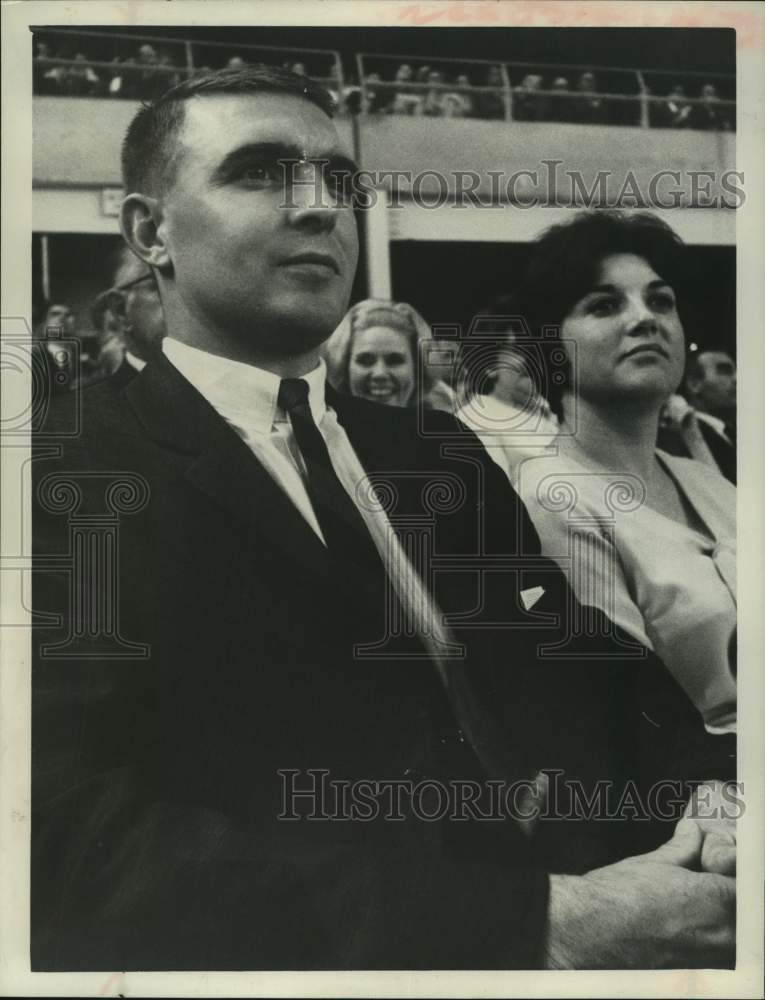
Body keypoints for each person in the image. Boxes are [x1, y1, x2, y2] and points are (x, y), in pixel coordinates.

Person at [32, 67, 735, 972]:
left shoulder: (428, 448)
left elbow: (585, 664)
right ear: (148, 230)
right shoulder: (62, 468)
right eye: (258, 173)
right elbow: (66, 840)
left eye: (339, 181)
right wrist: (532, 924)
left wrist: (715, 804)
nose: (320, 208)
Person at [501, 211, 737, 736]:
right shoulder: (551, 499)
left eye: (660, 301)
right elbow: (626, 710)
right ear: (551, 345)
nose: (645, 318)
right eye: (605, 305)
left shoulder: (710, 483)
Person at [323, 298, 456, 411]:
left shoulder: (442, 436)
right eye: (365, 361)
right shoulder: (324, 437)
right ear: (344, 369)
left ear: (417, 369)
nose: (380, 373)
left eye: (395, 361)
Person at [659, 349, 736, 483]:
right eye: (724, 371)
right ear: (694, 384)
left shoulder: (735, 434)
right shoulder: (679, 437)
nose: (736, 379)